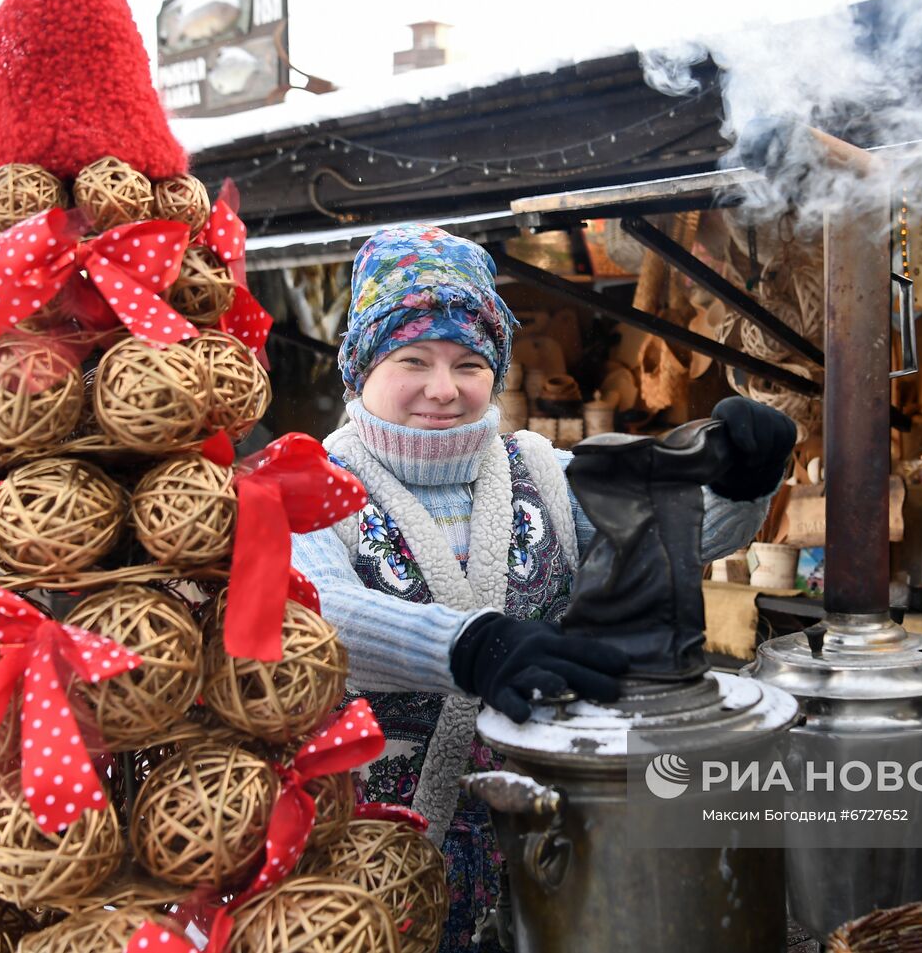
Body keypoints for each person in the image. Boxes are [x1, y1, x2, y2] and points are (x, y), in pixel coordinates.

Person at [291, 224, 795, 951]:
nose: (444, 387)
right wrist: (474, 645)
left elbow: (666, 539)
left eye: (469, 362)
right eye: (412, 358)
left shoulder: (540, 475)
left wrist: (743, 482)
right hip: (366, 872)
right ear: (359, 367)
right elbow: (317, 615)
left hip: (541, 856)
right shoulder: (308, 484)